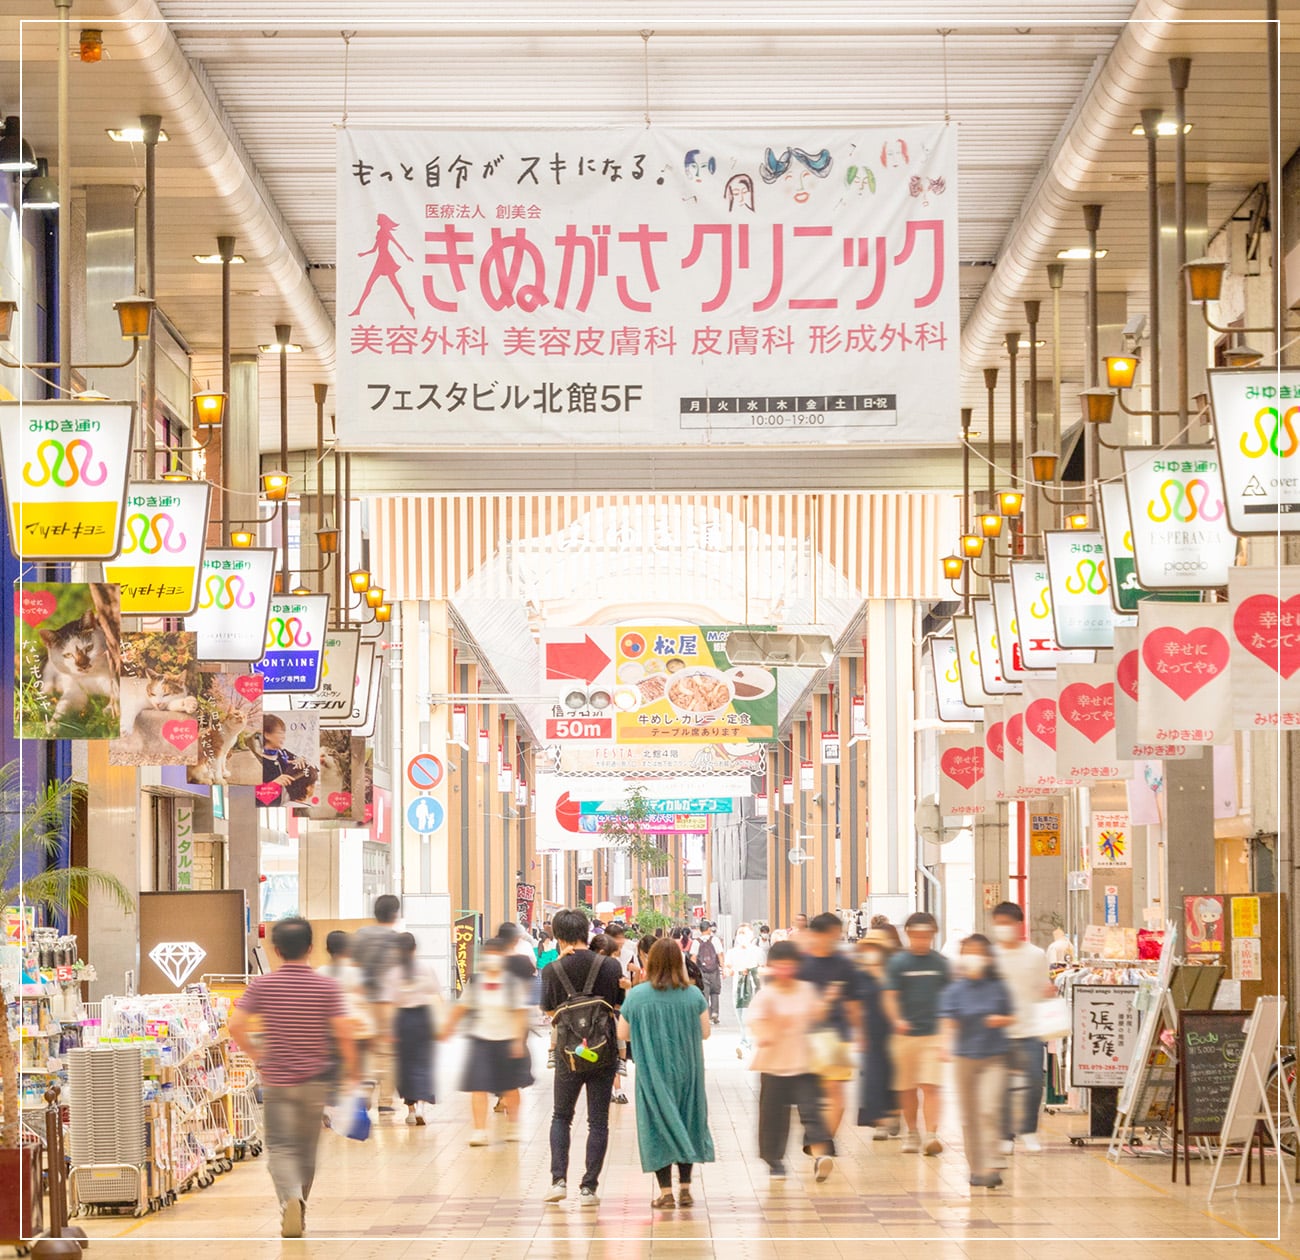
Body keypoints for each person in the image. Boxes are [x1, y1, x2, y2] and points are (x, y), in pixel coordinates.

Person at [228, 918, 356, 1239]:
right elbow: (344, 1033)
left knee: (282, 1148)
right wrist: (352, 1073)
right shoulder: (327, 986)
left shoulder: (262, 985)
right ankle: (300, 1201)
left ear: (276, 950)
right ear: (311, 948)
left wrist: (259, 1056)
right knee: (306, 1150)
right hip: (316, 1082)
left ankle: (290, 1199)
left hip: (278, 1081)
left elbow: (236, 1026)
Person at [617, 939, 716, 1208]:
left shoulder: (637, 995)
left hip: (652, 1072)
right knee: (688, 1120)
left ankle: (665, 1193)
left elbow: (622, 1034)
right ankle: (685, 1188)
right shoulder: (694, 995)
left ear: (651, 962)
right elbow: (705, 1032)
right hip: (688, 1070)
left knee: (656, 1125)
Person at [540, 907, 625, 1206]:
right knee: (598, 1121)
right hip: (603, 1052)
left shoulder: (551, 969)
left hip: (568, 1052)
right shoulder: (610, 966)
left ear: (559, 936)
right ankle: (588, 1188)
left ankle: (558, 1181)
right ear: (586, 932)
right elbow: (617, 1005)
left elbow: (550, 1012)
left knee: (561, 1116)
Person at [747, 940, 835, 1182]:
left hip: (804, 1063)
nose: (786, 970)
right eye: (780, 965)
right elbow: (755, 1020)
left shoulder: (806, 990)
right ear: (772, 967)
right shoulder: (767, 994)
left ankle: (821, 1157)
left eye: (790, 965)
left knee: (812, 1112)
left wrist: (828, 1002)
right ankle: (774, 1161)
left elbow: (817, 1014)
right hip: (774, 1065)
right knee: (773, 1116)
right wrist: (766, 1035)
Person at [939, 934, 1014, 1188]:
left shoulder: (998, 986)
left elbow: (1012, 1016)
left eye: (977, 952)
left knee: (989, 1109)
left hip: (994, 1055)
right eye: (967, 952)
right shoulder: (955, 989)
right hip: (964, 1059)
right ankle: (977, 1168)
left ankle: (992, 1163)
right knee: (969, 1116)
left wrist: (999, 1020)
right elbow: (948, 1020)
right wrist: (945, 1044)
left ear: (987, 957)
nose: (972, 957)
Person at [442, 935, 531, 1145]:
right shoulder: (478, 982)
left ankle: (513, 1125)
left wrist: (518, 1041)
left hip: (507, 1040)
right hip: (481, 1040)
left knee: (510, 1086)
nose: (492, 959)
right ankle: (480, 1130)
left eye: (496, 955)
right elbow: (462, 1007)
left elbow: (520, 1014)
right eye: (488, 954)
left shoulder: (511, 983)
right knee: (478, 1085)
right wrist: (448, 1028)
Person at [882, 911, 951, 1156]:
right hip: (904, 1036)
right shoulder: (898, 963)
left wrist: (947, 1035)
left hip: (933, 1035)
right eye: (917, 936)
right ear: (909, 934)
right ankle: (912, 1132)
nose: (922, 941)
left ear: (933, 935)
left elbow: (949, 1000)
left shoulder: (941, 964)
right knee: (907, 1088)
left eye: (927, 936)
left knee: (931, 1086)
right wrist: (897, 1020)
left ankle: (931, 1135)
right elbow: (889, 996)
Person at [991, 902, 1052, 1154]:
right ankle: (1005, 1135)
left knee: (1034, 1082)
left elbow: (1043, 987)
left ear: (1019, 925)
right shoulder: (990, 956)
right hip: (999, 1032)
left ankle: (1028, 1129)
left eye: (1008, 923)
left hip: (1030, 1029)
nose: (1003, 928)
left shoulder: (1036, 955)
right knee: (1002, 1085)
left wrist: (1048, 992)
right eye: (999, 924)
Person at [797, 912, 863, 1139]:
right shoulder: (802, 965)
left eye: (838, 935)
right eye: (832, 935)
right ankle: (818, 1143)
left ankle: (824, 1145)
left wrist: (861, 1035)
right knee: (813, 1097)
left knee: (837, 1095)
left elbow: (853, 1003)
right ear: (817, 935)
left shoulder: (845, 965)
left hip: (838, 1036)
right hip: (809, 1038)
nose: (836, 940)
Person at [349, 894, 404, 1113]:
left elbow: (353, 964)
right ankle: (385, 1101)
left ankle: (364, 1090)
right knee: (388, 1051)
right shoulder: (396, 940)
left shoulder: (361, 935)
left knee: (364, 1047)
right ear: (395, 914)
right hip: (387, 1003)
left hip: (362, 999)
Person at [387, 931, 441, 1127]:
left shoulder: (393, 972)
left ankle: (410, 1111)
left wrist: (389, 1029)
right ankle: (421, 1108)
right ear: (414, 948)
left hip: (402, 1020)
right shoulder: (425, 968)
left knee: (405, 1066)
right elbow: (435, 992)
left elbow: (390, 1001)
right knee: (423, 1063)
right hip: (423, 1018)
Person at [319, 931, 375, 1100]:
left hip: (330, 1030)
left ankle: (330, 1106)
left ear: (327, 949)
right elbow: (368, 1001)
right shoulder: (357, 973)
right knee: (358, 1069)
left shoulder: (321, 972)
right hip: (357, 1030)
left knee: (332, 1071)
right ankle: (359, 1099)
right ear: (348, 949)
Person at [855, 929, 899, 1138]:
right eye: (868, 948)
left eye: (875, 948)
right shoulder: (860, 975)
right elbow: (854, 1005)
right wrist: (858, 1031)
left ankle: (893, 1113)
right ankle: (879, 1119)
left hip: (892, 1029)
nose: (871, 952)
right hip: (870, 1030)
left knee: (893, 1074)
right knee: (873, 1076)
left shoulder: (891, 972)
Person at [729, 924, 763, 1057]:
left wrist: (751, 971)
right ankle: (749, 1043)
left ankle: (744, 1044)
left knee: (746, 1017)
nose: (742, 936)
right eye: (739, 933)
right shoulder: (732, 952)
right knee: (740, 1017)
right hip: (737, 988)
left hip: (752, 988)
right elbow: (728, 967)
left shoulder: (758, 952)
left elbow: (762, 968)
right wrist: (730, 971)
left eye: (745, 933)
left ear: (751, 936)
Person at [690, 921, 726, 1025]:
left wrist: (694, 972)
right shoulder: (715, 940)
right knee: (715, 992)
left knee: (704, 993)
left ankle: (706, 1015)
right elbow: (720, 955)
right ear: (709, 929)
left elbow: (693, 958)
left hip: (702, 971)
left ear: (700, 930)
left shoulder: (696, 942)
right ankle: (715, 1013)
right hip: (714, 970)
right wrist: (723, 968)